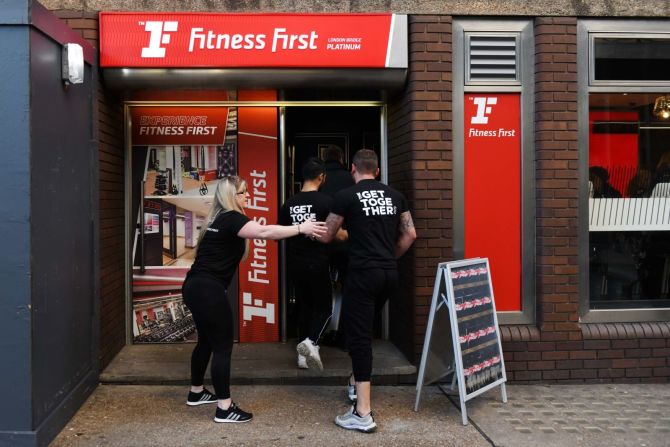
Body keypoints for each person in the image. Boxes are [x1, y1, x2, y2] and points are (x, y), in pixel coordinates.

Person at [182, 175, 326, 423]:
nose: (247, 196)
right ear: (231, 196)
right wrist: (302, 228)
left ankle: (196, 392)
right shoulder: (231, 218)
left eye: (247, 191)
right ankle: (225, 408)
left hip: (194, 286)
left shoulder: (215, 219)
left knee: (206, 341)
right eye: (243, 192)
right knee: (222, 347)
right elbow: (265, 231)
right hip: (208, 290)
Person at [320, 149, 417, 433]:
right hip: (388, 274)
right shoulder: (395, 196)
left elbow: (328, 234)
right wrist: (390, 258)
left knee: (359, 337)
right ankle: (354, 383)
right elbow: (410, 234)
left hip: (362, 274)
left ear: (353, 169)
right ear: (377, 170)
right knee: (363, 327)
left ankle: (362, 413)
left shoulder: (346, 196)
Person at [279, 158, 343, 370]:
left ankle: (302, 356)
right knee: (324, 307)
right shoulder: (327, 202)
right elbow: (336, 234)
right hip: (318, 261)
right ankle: (311, 342)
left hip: (295, 263)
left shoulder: (288, 204)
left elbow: (281, 233)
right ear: (321, 177)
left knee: (304, 306)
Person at [320, 145, 355, 348]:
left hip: (322, 244)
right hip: (348, 244)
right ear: (342, 158)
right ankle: (343, 333)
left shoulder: (320, 178)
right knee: (349, 288)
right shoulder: (350, 179)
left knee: (322, 288)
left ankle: (320, 331)